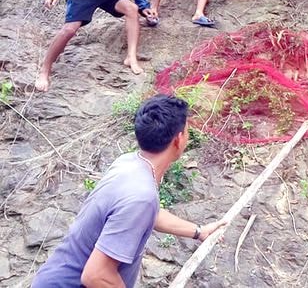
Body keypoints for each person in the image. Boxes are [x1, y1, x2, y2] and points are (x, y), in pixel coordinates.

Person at [32, 95, 226, 287]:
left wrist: (198, 232)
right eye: (187, 130)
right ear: (178, 139)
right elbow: (96, 276)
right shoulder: (141, 196)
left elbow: (150, 214)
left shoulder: (128, 163)